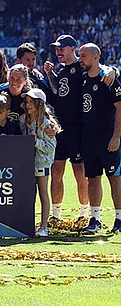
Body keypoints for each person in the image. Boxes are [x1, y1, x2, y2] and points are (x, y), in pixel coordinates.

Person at [44, 34, 93, 221]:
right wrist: (51, 75)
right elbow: (60, 93)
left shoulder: (82, 69)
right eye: (56, 49)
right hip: (59, 129)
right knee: (57, 171)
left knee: (79, 172)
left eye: (62, 48)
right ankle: (56, 215)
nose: (58, 52)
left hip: (77, 128)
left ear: (73, 49)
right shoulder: (62, 70)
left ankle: (84, 213)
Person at [77, 43, 121, 234]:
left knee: (114, 178)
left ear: (96, 57)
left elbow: (120, 107)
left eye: (84, 56)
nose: (80, 59)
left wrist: (116, 136)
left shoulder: (108, 79)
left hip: (108, 138)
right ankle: (95, 219)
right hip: (89, 138)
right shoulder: (84, 78)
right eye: (80, 55)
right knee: (92, 178)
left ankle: (119, 219)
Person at [21, 88, 61, 237]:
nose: (28, 105)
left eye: (32, 102)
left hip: (41, 163)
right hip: (25, 163)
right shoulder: (23, 120)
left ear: (40, 103)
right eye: (27, 102)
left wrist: (36, 142)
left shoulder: (47, 124)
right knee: (29, 194)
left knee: (43, 193)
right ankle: (27, 225)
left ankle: (44, 227)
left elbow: (51, 148)